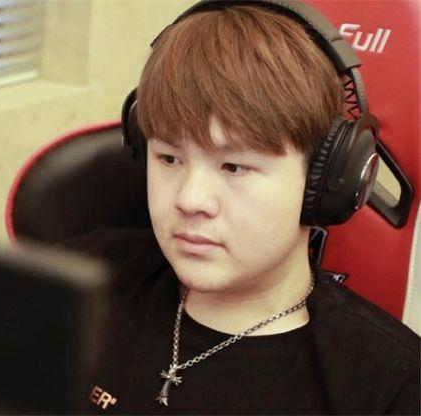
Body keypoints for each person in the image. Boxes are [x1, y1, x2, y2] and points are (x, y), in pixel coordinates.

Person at [64, 1, 420, 414]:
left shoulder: (392, 387)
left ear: (323, 181)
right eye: (169, 158)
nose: (189, 199)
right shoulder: (75, 279)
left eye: (234, 166)